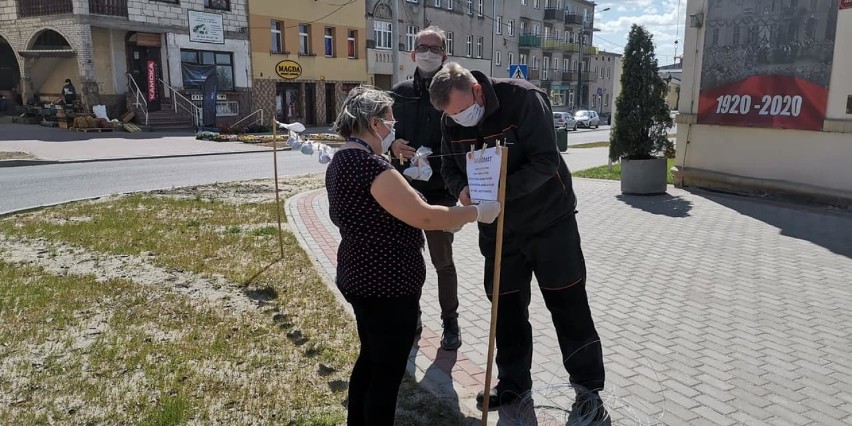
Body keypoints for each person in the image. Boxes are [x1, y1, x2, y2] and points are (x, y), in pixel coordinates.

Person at [429, 62, 609, 424]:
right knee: (506, 308)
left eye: (462, 111)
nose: (458, 119)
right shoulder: (451, 118)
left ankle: (588, 391)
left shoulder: (524, 99)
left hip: (549, 223)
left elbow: (545, 161)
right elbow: (449, 166)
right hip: (497, 229)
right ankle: (513, 384)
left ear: (477, 91)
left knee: (568, 304)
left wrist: (500, 192)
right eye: (450, 115)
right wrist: (460, 189)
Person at [326, 85, 500, 426]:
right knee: (386, 373)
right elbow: (425, 216)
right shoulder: (370, 165)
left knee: (371, 360)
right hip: (386, 286)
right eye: (391, 120)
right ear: (375, 123)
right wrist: (477, 212)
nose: (395, 127)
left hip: (360, 277)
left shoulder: (342, 159)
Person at [389, 26, 462, 350]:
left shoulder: (453, 92)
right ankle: (412, 318)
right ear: (413, 53)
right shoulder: (399, 92)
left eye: (435, 48)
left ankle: (451, 323)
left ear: (444, 56)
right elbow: (383, 133)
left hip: (441, 191)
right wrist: (392, 146)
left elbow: (463, 134)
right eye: (423, 47)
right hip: (404, 191)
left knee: (442, 263)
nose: (428, 53)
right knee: (405, 261)